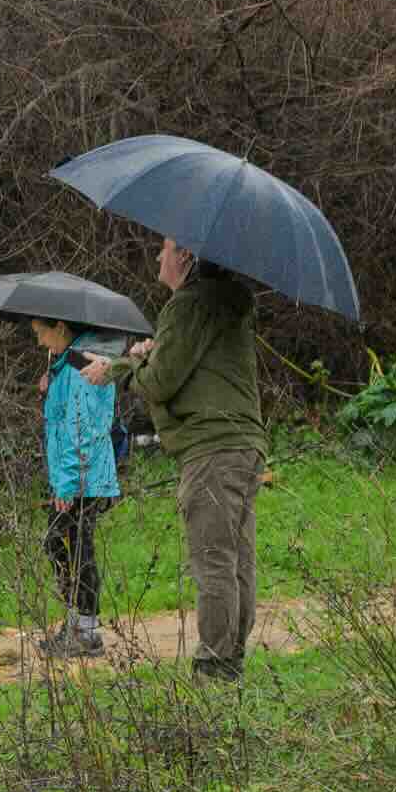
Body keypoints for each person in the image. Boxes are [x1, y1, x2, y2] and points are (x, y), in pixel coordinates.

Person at [134, 237, 268, 679]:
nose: (159, 257)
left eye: (165, 248)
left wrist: (138, 364)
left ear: (186, 256)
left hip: (211, 448)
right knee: (236, 561)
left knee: (212, 561)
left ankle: (214, 665)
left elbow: (159, 384)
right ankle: (231, 660)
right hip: (245, 445)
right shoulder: (228, 302)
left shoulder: (190, 304)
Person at [26, 314, 125, 657]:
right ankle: (76, 623)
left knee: (75, 548)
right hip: (74, 478)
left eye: (42, 333)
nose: (40, 342)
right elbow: (61, 415)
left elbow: (79, 432)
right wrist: (51, 384)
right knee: (59, 545)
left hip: (83, 479)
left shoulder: (81, 368)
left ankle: (86, 632)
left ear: (61, 328)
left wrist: (66, 486)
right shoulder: (67, 365)